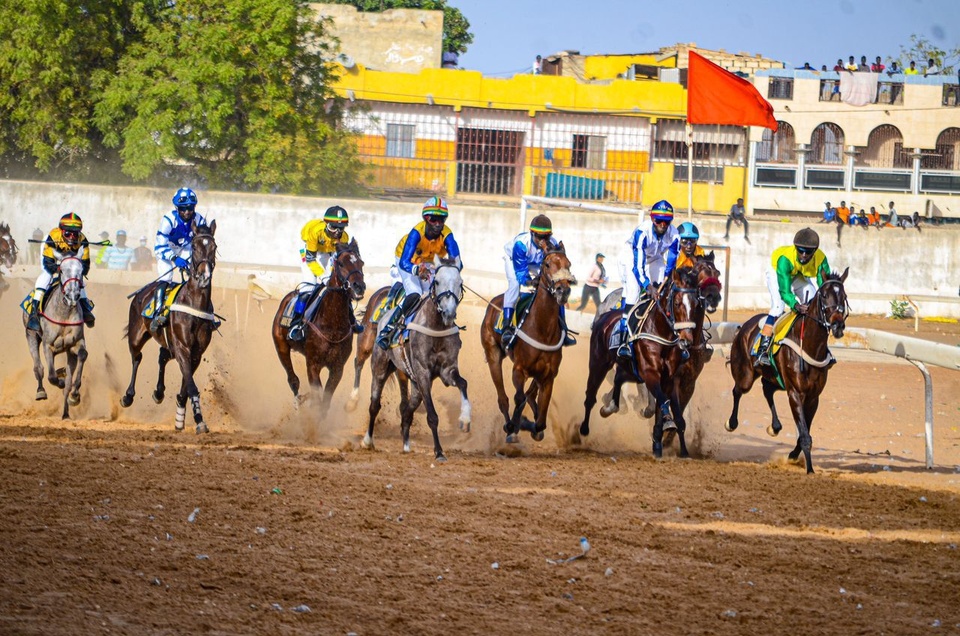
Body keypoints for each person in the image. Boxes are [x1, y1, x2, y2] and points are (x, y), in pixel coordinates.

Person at [376, 197, 462, 350]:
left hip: (429, 262)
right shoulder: (416, 233)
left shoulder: (447, 234)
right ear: (426, 219)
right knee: (416, 293)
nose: (438, 224)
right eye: (434, 219)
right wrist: (416, 269)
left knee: (435, 293)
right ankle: (388, 329)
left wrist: (450, 272)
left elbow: (457, 261)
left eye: (441, 219)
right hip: (407, 259)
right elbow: (404, 262)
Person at [755, 228, 832, 365]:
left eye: (808, 252)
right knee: (778, 307)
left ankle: (819, 346)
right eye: (800, 250)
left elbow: (824, 286)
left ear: (815, 251)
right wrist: (795, 305)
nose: (803, 255)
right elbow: (785, 291)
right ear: (795, 248)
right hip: (778, 273)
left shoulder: (821, 259)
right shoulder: (785, 259)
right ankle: (762, 349)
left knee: (814, 299)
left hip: (798, 274)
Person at [287, 205, 362, 341]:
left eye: (341, 229)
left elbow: (340, 261)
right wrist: (323, 276)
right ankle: (296, 324)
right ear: (327, 224)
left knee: (341, 287)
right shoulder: (315, 232)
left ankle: (352, 320)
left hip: (328, 251)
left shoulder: (343, 237)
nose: (337, 233)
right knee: (309, 287)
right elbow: (310, 259)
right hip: (309, 251)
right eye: (333, 228)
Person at [500, 213, 574, 348]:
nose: (543, 240)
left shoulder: (554, 243)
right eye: (539, 237)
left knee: (556, 291)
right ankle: (506, 327)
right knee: (515, 286)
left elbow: (555, 267)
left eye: (546, 237)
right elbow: (521, 273)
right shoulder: (521, 245)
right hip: (515, 261)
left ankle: (563, 328)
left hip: (538, 264)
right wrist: (530, 282)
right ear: (532, 233)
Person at [617, 199, 679, 359]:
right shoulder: (642, 232)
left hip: (655, 257)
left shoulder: (675, 236)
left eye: (667, 222)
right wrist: (648, 286)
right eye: (659, 221)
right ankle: (624, 340)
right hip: (631, 257)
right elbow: (638, 268)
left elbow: (670, 263)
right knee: (634, 290)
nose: (663, 225)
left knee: (664, 288)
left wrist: (665, 280)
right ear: (652, 219)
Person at [26, 212, 96, 330]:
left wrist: (74, 271)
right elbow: (47, 263)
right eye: (68, 233)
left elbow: (85, 265)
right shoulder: (53, 237)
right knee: (46, 276)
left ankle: (84, 307)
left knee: (77, 278)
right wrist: (59, 268)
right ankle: (34, 313)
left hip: (70, 263)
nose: (72, 237)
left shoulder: (83, 241)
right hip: (54, 262)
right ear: (61, 231)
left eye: (75, 234)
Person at [151, 187, 207, 332]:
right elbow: (159, 246)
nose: (187, 212)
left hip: (186, 249)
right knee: (166, 277)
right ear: (177, 208)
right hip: (167, 249)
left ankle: (202, 313)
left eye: (190, 208)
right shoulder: (168, 220)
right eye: (183, 209)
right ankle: (158, 312)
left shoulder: (200, 219)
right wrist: (174, 258)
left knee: (196, 276)